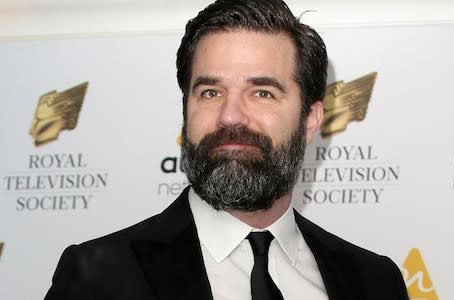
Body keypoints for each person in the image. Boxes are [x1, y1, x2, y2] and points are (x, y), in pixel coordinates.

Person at [44, 0, 409, 299]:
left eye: (262, 92)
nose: (230, 116)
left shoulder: (375, 282)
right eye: (210, 92)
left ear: (311, 119)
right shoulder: (98, 277)